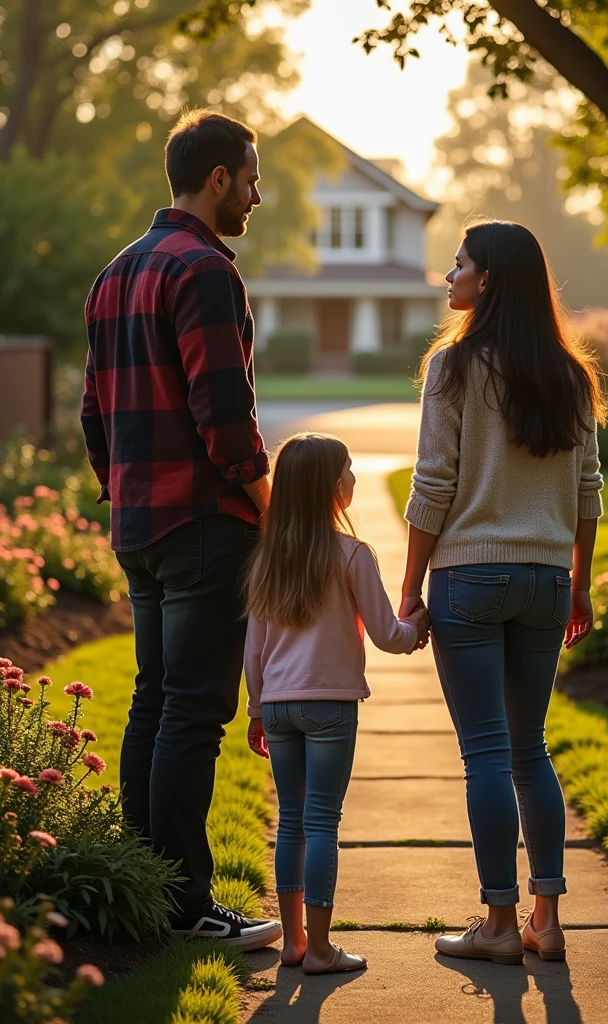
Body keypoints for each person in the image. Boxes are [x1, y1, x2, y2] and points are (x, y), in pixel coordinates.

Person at [81, 109, 281, 948]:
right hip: (203, 522)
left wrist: (122, 491)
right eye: (251, 177)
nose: (258, 195)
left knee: (154, 703)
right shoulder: (204, 271)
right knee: (194, 715)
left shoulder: (114, 273)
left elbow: (93, 413)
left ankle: (142, 886)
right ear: (218, 179)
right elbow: (226, 419)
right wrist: (275, 512)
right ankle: (186, 905)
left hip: (139, 524)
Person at [400, 220, 606, 965]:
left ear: (486, 281)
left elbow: (434, 486)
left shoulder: (454, 369)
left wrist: (408, 586)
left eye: (458, 266)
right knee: (530, 751)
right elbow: (588, 490)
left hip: (471, 579)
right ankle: (546, 921)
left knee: (485, 753)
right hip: (548, 580)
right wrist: (579, 584)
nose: (447, 278)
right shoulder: (570, 375)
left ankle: (496, 924)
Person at [244, 433, 429, 974]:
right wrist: (418, 626)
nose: (353, 478)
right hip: (330, 705)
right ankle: (323, 950)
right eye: (348, 470)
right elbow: (386, 635)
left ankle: (294, 943)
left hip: (277, 705)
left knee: (292, 822)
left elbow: (253, 649)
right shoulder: (352, 554)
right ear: (331, 489)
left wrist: (257, 708)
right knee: (323, 822)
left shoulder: (266, 560)